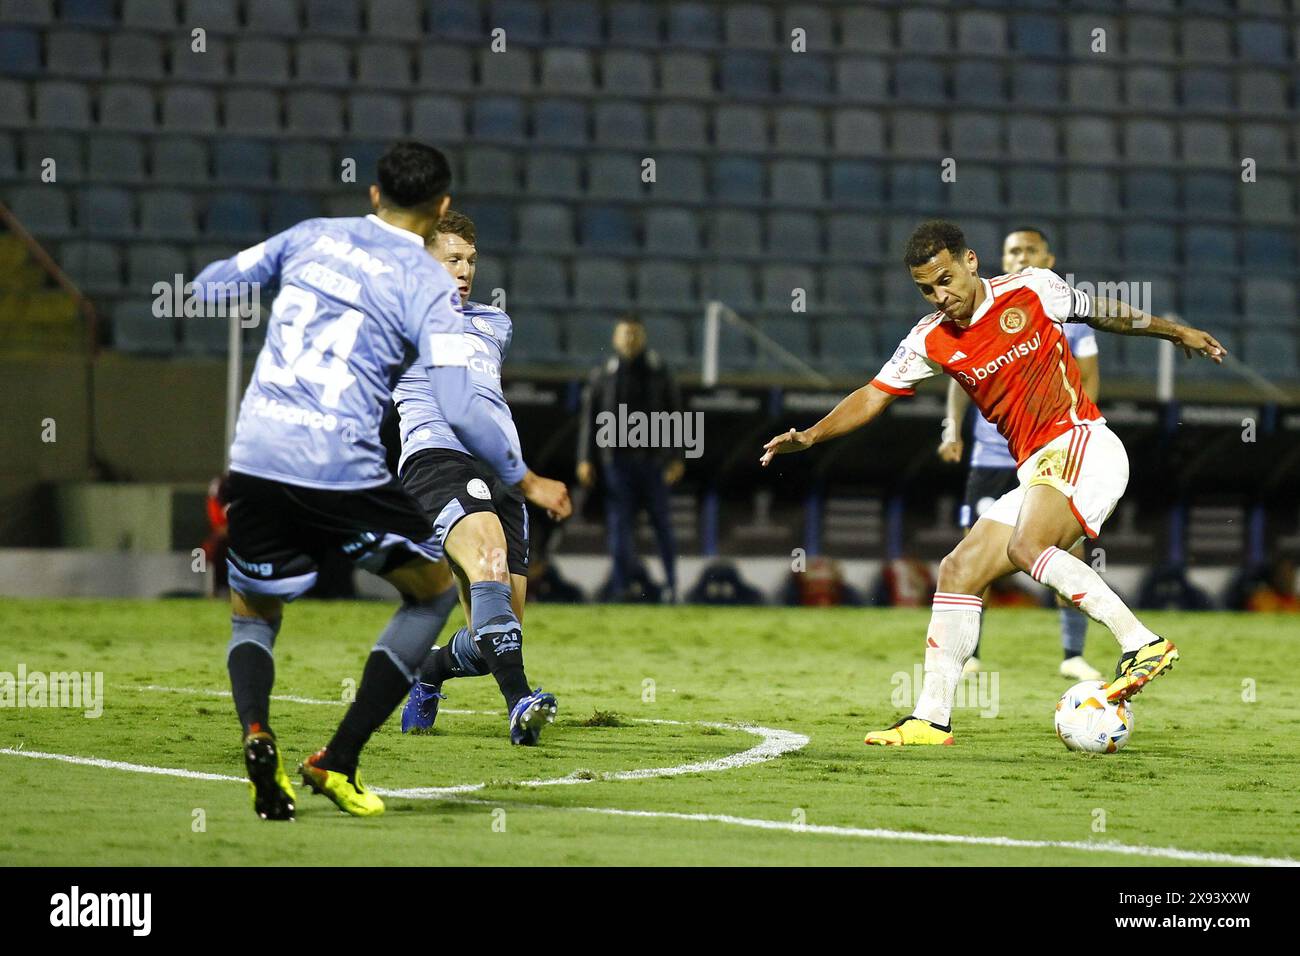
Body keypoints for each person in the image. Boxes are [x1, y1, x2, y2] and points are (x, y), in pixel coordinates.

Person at [761, 220, 1226, 745]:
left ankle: (1140, 641)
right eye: (926, 289)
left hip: (1082, 443)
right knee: (958, 569)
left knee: (1029, 546)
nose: (941, 295)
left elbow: (1103, 311)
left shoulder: (1032, 288)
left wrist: (1175, 331)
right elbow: (873, 394)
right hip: (1039, 468)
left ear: (971, 261)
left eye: (945, 279)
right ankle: (930, 719)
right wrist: (813, 436)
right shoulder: (929, 338)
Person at [194, 141, 534, 819]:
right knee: (433, 593)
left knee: (253, 617)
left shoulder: (312, 236)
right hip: (340, 463)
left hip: (257, 453)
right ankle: (337, 758)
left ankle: (257, 733)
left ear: (373, 195)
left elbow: (209, 288)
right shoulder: (424, 287)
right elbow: (460, 401)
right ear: (439, 207)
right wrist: (525, 475)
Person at [391, 210, 572, 740]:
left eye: (470, 260)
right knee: (489, 558)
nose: (464, 270)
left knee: (499, 631)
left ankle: (425, 670)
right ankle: (521, 706)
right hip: (439, 458)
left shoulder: (495, 324)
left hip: (503, 473)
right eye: (451, 259)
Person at [938, 227, 1104, 682]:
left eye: (1031, 250)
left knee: (1066, 551)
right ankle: (969, 653)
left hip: (1054, 451)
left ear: (1048, 259)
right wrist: (952, 429)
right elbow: (957, 378)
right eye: (1013, 251)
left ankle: (1073, 654)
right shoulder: (975, 315)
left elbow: (1089, 381)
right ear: (1000, 259)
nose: (1021, 257)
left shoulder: (1067, 315)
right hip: (992, 459)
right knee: (978, 555)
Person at [576, 316, 685, 602]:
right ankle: (621, 587)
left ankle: (673, 586)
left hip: (653, 462)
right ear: (615, 338)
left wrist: (676, 457)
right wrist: (585, 459)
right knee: (619, 526)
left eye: (635, 334)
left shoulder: (659, 371)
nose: (630, 339)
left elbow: (676, 414)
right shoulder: (603, 373)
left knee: (662, 523)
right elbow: (591, 419)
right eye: (625, 334)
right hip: (616, 463)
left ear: (643, 337)